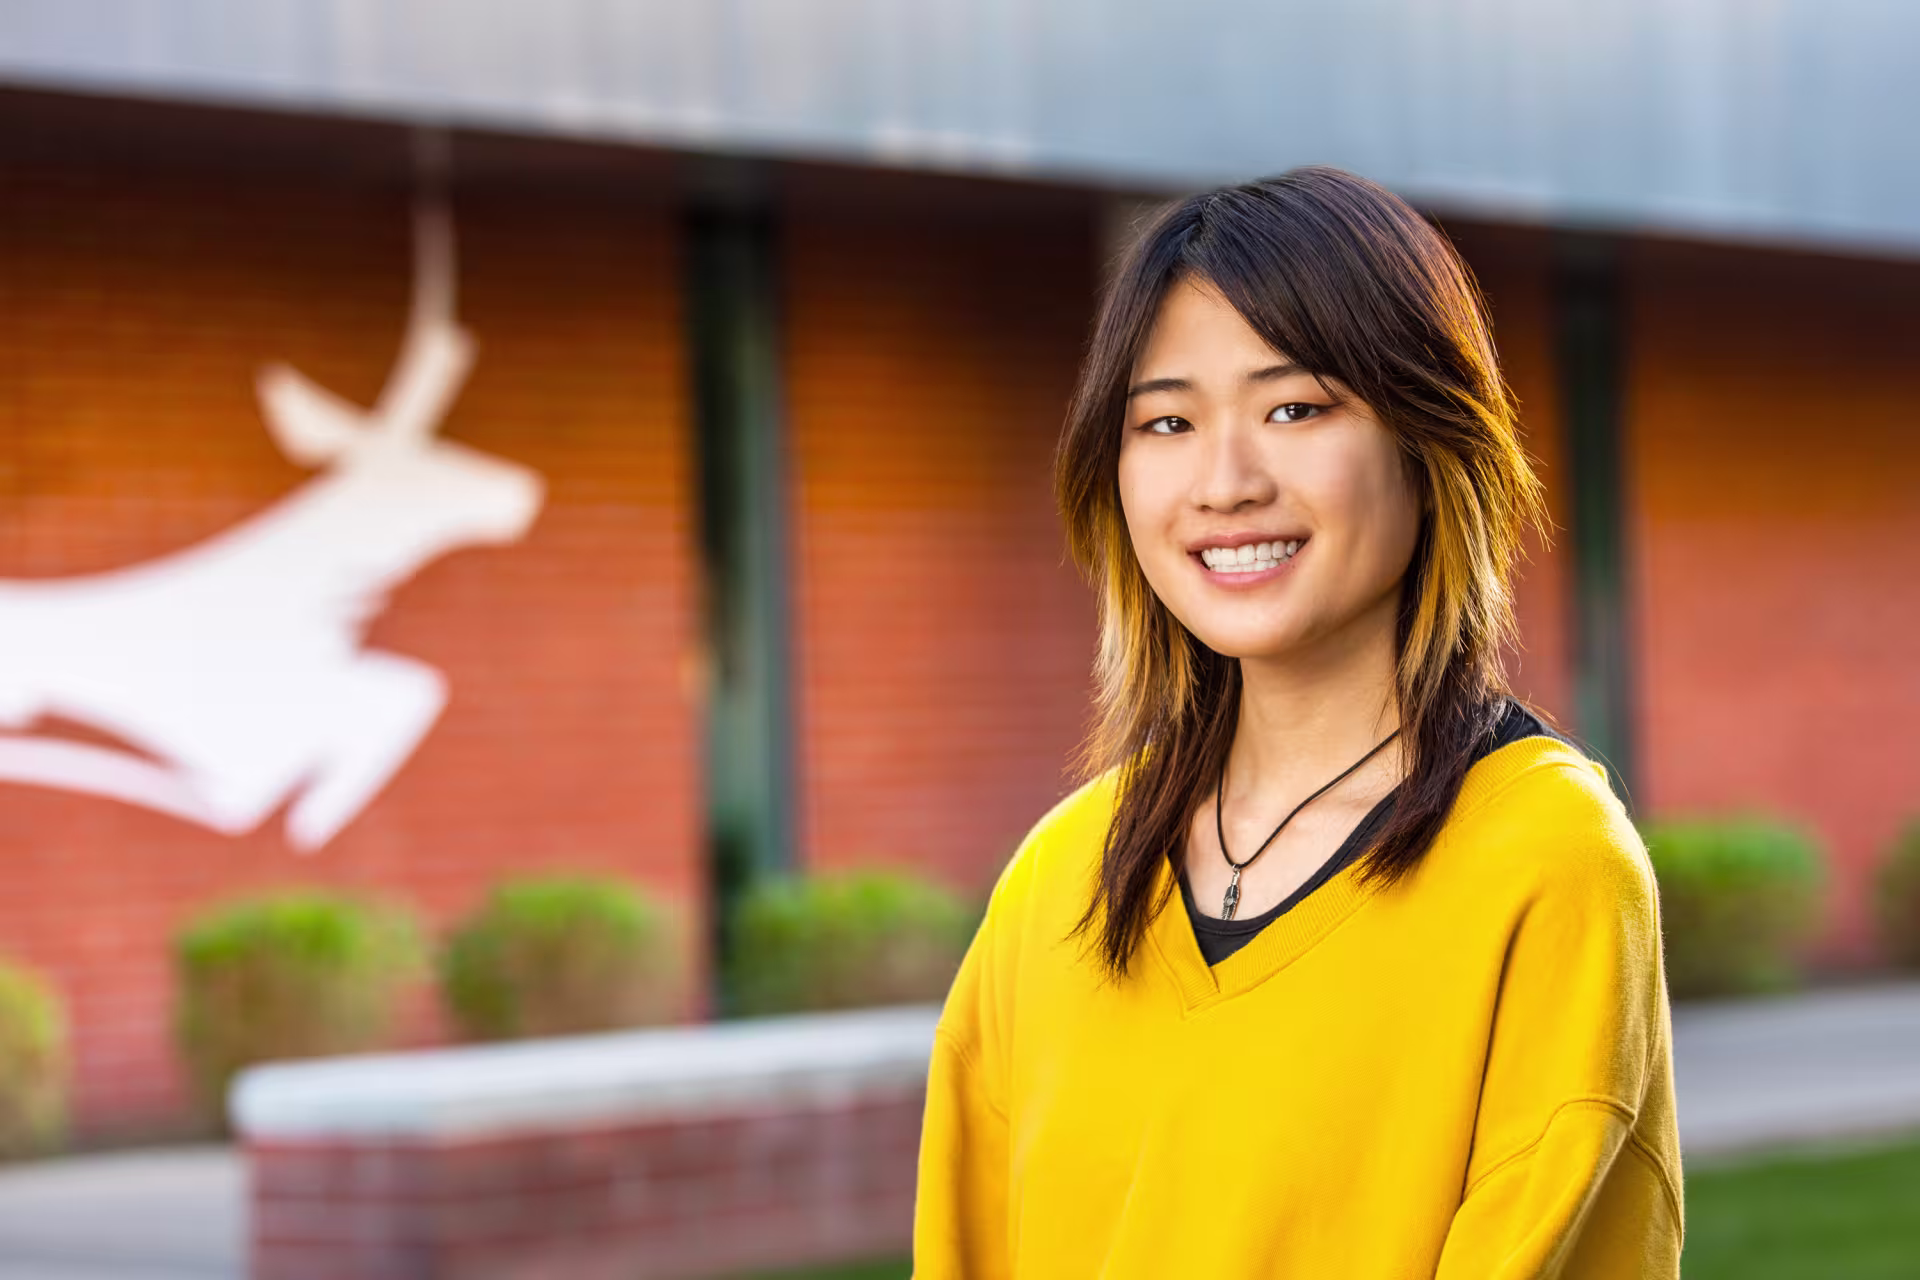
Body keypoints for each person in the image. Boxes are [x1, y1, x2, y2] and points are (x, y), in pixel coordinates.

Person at [911, 166, 1683, 1278]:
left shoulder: (1546, 862)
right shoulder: (1056, 878)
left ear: (1428, 439)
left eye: (1295, 408)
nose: (1225, 482)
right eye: (1167, 421)